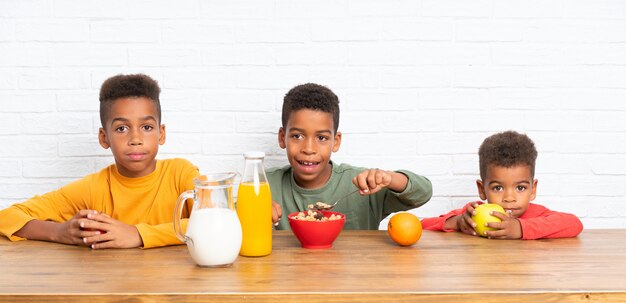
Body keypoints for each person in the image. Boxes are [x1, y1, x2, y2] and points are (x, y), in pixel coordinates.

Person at [0, 74, 200, 249]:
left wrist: (138, 235)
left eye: (146, 127)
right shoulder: (93, 188)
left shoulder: (180, 173)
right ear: (104, 138)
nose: (136, 139)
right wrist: (59, 231)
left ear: (161, 133)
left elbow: (216, 220)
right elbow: (6, 217)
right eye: (122, 128)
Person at [268, 83, 432, 230]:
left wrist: (390, 178)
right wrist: (252, 212)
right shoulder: (264, 185)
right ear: (282, 137)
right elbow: (242, 219)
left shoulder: (364, 185)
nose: (309, 149)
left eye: (322, 138)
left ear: (336, 141)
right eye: (297, 136)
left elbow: (423, 192)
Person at [421, 130, 583, 239]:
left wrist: (520, 228)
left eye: (520, 188)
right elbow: (423, 225)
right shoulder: (474, 214)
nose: (509, 198)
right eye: (498, 188)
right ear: (482, 189)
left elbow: (574, 224)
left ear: (533, 189)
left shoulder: (538, 215)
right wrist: (457, 222)